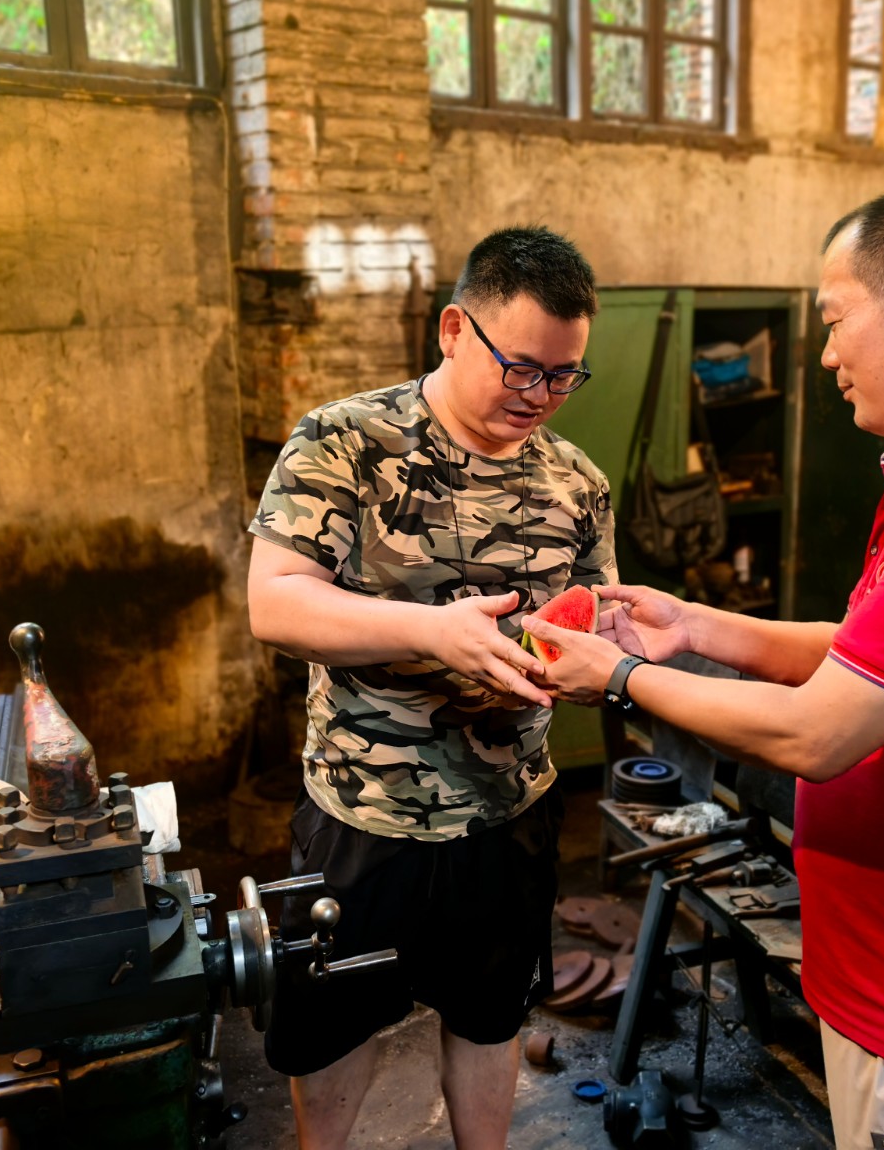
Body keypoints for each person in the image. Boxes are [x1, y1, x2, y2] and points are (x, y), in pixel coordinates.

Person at [529, 184, 884, 1150]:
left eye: (836, 321)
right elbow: (862, 654)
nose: (827, 354)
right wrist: (694, 627)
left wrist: (617, 679)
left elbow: (819, 733)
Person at [244, 225, 614, 1149]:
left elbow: (594, 619)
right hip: (365, 812)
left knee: (491, 1015)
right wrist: (431, 630)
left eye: (564, 376)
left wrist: (590, 668)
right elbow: (276, 603)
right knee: (333, 1026)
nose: (539, 396)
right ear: (455, 330)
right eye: (521, 368)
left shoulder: (577, 483)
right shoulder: (344, 443)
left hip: (508, 811)